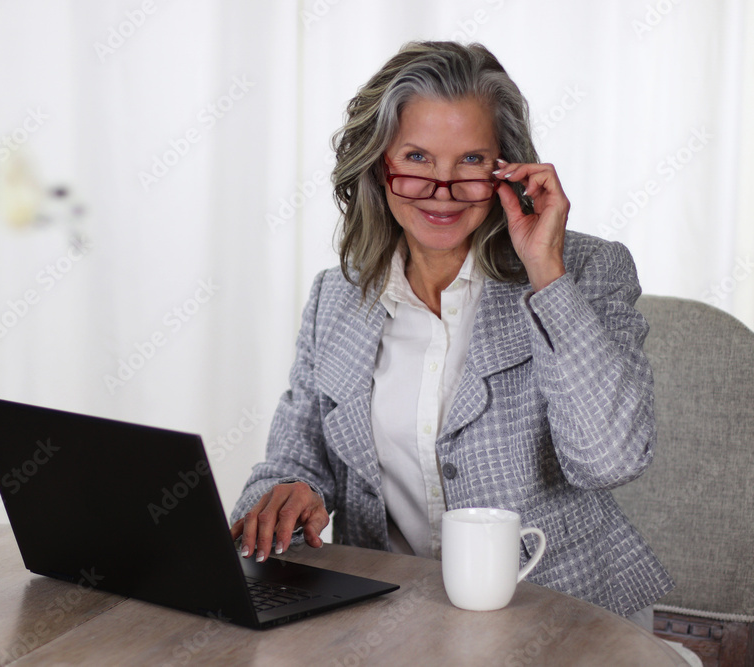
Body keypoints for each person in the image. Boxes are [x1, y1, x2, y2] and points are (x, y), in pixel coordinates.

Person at [229, 41, 674, 625]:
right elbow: (295, 456)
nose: (442, 190)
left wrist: (546, 272)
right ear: (378, 165)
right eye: (416, 157)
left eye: (470, 160)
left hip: (566, 619)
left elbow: (609, 461)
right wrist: (289, 490)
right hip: (392, 620)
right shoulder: (335, 297)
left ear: (506, 170)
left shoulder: (586, 271)